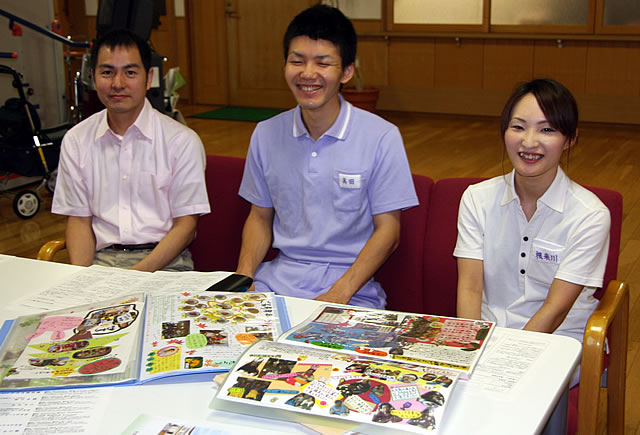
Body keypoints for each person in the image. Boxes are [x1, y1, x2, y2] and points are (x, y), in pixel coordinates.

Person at [235, 5, 418, 308]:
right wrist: (244, 277)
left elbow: (389, 231)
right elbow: (259, 216)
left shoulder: (381, 136)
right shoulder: (265, 134)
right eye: (297, 61)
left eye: (323, 63)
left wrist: (341, 292)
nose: (307, 74)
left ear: (347, 71)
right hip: (277, 280)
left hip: (351, 287)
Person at [454, 78, 610, 386]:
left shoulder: (590, 215)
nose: (529, 142)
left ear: (570, 140)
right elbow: (470, 288)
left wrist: (504, 362)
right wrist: (469, 349)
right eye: (518, 126)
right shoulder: (477, 198)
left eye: (547, 129)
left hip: (559, 340)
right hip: (489, 334)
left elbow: (555, 310)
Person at [52, 29, 210, 272]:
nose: (118, 83)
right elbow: (79, 221)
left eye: (130, 72)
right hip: (101, 262)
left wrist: (133, 277)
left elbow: (186, 227)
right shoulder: (76, 140)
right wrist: (81, 280)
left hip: (165, 265)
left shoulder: (181, 141)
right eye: (107, 72)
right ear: (93, 77)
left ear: (148, 79)